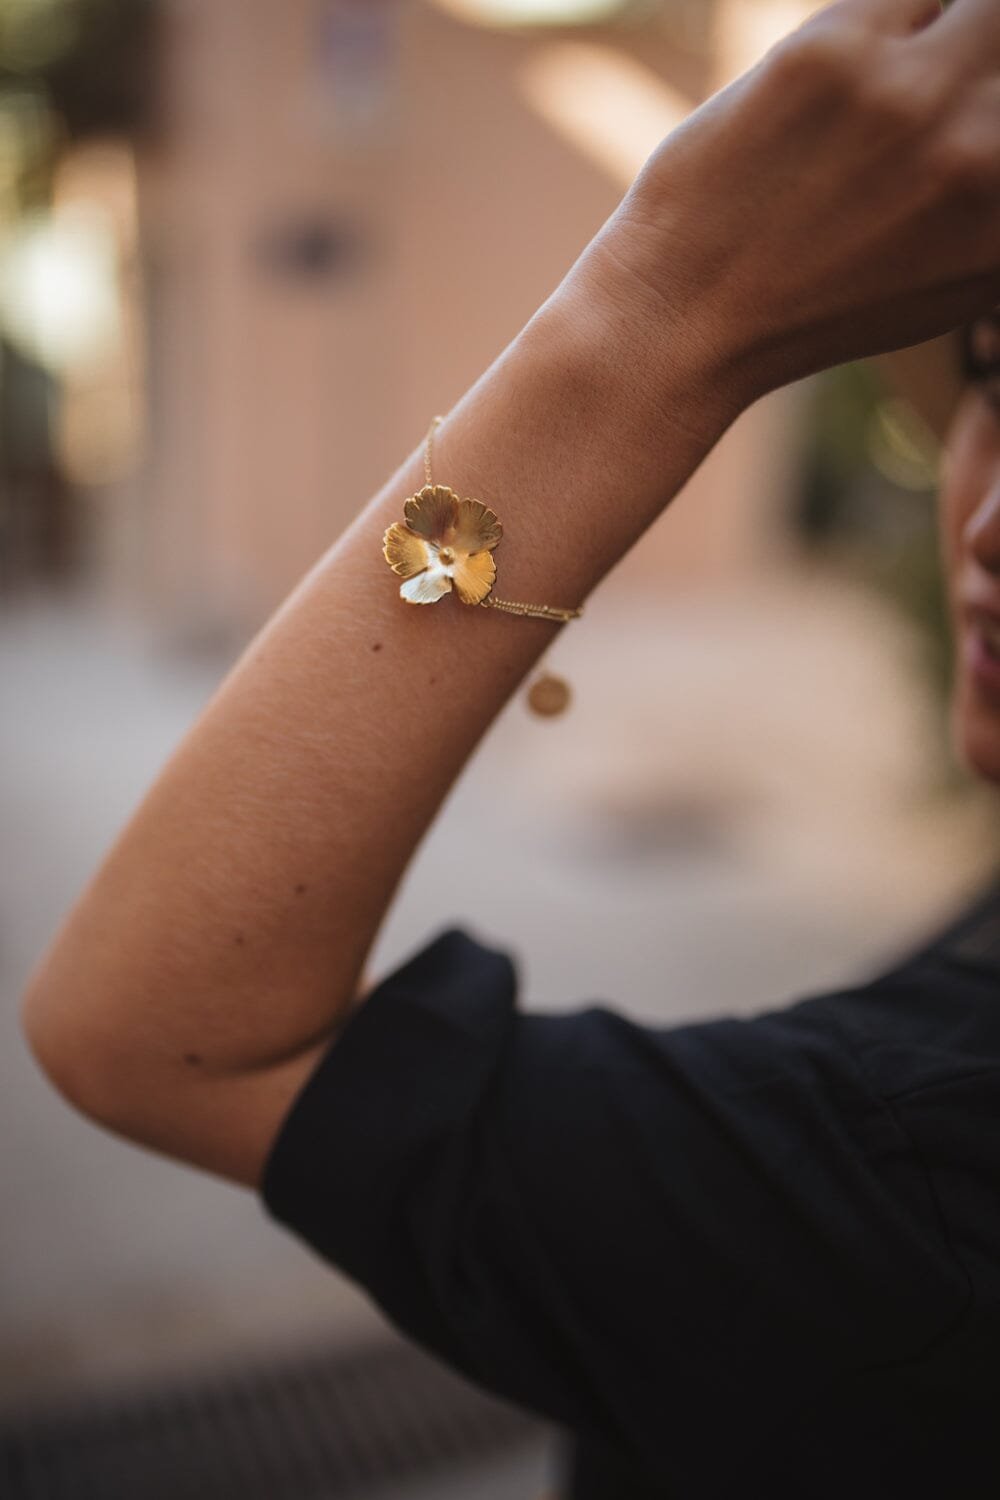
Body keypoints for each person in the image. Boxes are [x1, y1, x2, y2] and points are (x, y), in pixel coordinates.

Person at [18, 0, 1000, 1493]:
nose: (983, 523)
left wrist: (667, 295)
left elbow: (156, 1031)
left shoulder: (901, 1188)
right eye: (992, 367)